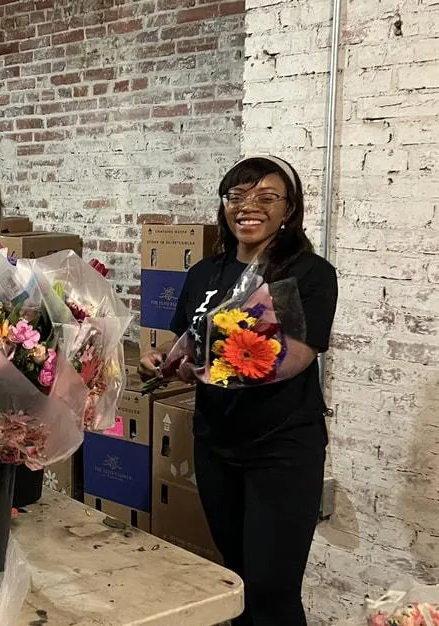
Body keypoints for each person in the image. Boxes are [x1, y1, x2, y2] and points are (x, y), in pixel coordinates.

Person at [138, 156, 338, 625]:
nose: (249, 207)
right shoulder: (206, 274)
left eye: (266, 197)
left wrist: (203, 369)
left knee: (272, 590)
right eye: (237, 197)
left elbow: (296, 357)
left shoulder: (309, 273)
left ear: (289, 208)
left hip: (282, 450)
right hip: (216, 443)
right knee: (238, 579)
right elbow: (183, 337)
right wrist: (162, 358)